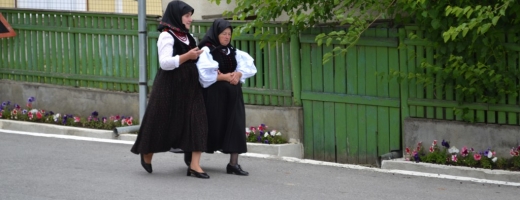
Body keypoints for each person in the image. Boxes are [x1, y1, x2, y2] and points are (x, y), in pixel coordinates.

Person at [130, 0, 209, 179]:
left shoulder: (189, 37)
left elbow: (193, 59)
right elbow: (165, 63)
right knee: (160, 121)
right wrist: (187, 56)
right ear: (176, 16)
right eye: (187, 16)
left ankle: (195, 165)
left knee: (198, 120)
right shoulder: (166, 36)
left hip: (190, 86)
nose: (190, 19)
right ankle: (147, 152)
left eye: (190, 16)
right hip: (170, 85)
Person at [190, 18, 257, 176]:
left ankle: (233, 164)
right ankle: (192, 161)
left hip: (233, 97)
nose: (227, 37)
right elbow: (204, 76)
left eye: (229, 34)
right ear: (216, 34)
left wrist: (238, 74)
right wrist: (225, 77)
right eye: (223, 34)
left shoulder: (233, 51)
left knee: (236, 126)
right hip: (214, 97)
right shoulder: (207, 51)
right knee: (209, 126)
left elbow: (248, 66)